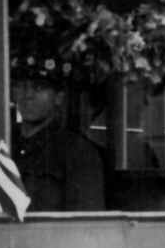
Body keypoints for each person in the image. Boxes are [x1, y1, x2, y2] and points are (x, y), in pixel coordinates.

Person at [11, 76, 105, 212]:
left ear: (58, 98)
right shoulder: (1, 142)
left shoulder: (77, 151)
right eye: (22, 86)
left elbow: (85, 218)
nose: (28, 95)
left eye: (39, 88)